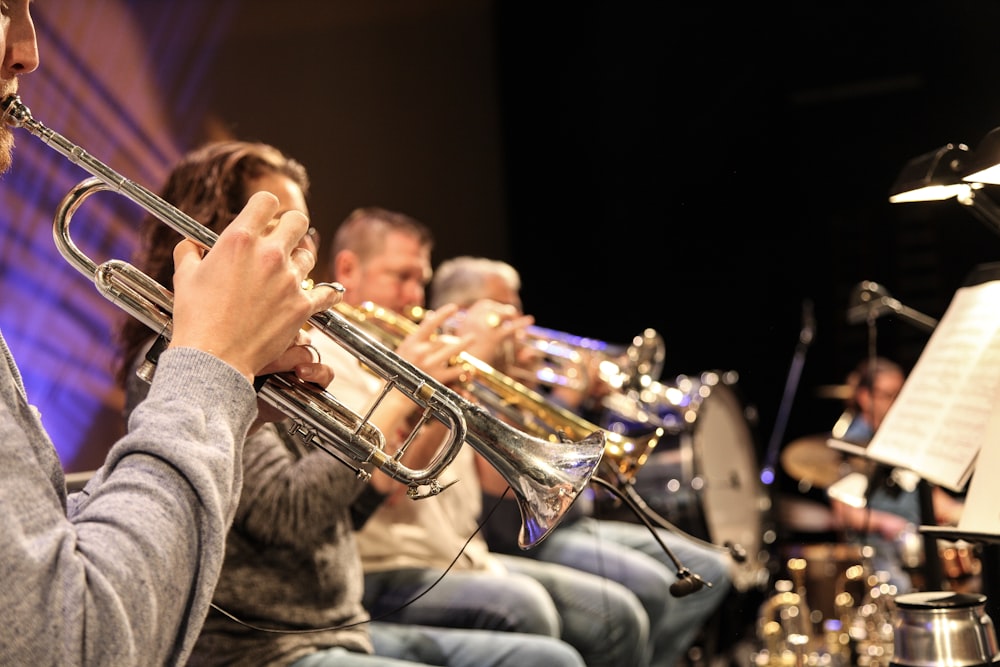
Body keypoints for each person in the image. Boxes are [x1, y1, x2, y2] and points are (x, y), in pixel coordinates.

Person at [117, 142, 586, 667]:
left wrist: (429, 405)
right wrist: (405, 397)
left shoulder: (272, 350)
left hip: (335, 624)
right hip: (263, 649)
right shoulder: (184, 358)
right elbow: (288, 513)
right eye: (280, 231)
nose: (299, 257)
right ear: (223, 235)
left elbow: (358, 506)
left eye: (303, 234)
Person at [0, 6, 343, 665]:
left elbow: (41, 545)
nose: (29, 52)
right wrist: (209, 377)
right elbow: (73, 643)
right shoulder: (177, 349)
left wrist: (225, 402)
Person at [314, 206, 653, 667]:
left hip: (462, 554)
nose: (415, 295)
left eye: (421, 279)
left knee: (622, 617)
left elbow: (499, 491)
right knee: (531, 610)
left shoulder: (426, 356)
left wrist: (510, 392)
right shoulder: (328, 361)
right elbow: (388, 488)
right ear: (349, 269)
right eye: (402, 277)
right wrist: (430, 393)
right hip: (389, 568)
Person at [429, 255, 736, 667]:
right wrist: (562, 399)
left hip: (573, 518)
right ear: (465, 313)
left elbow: (559, 455)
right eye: (505, 311)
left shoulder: (518, 369)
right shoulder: (456, 372)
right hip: (520, 533)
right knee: (645, 590)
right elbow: (501, 494)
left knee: (710, 569)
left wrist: (557, 397)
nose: (523, 323)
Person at [828, 356, 964, 592]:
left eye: (901, 395)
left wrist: (960, 512)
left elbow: (926, 493)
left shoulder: (901, 438)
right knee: (901, 587)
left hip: (915, 543)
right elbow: (844, 512)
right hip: (879, 549)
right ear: (864, 397)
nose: (897, 404)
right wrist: (887, 523)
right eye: (888, 395)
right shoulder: (854, 444)